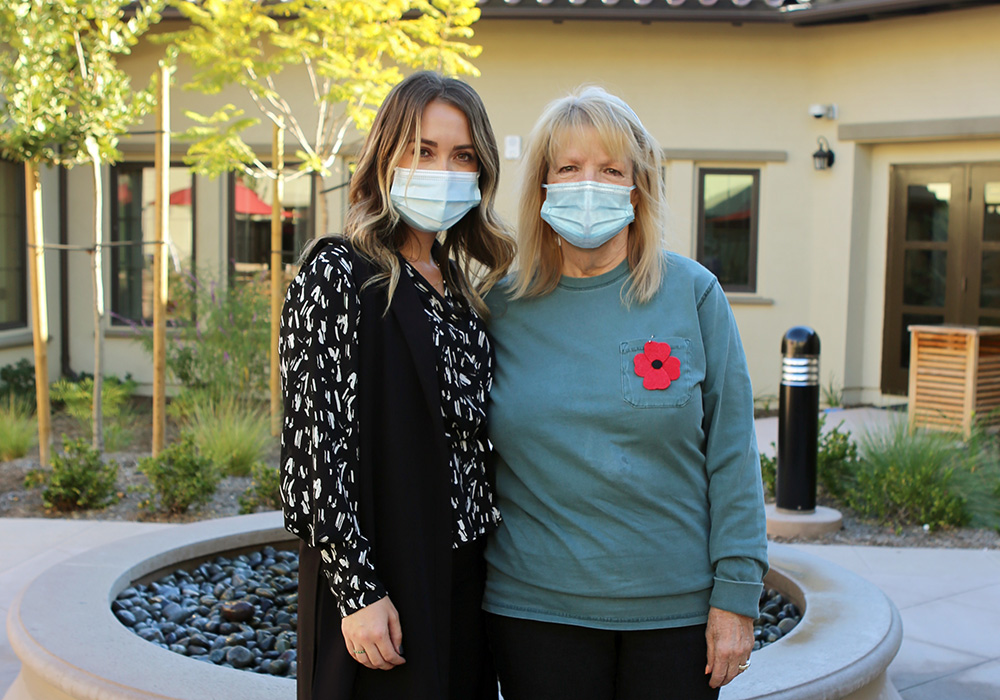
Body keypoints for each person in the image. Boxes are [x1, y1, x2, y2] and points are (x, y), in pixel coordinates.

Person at [482, 86, 769, 700]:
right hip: (535, 612)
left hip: (677, 617)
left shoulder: (692, 294)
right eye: (569, 167)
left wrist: (737, 596)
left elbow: (733, 456)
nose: (591, 184)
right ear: (541, 186)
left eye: (611, 169)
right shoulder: (498, 306)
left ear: (639, 187)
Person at [278, 71, 516, 700]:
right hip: (385, 581)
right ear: (385, 157)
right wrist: (358, 591)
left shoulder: (463, 289)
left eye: (462, 155)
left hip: (468, 580)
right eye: (423, 150)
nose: (443, 169)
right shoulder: (337, 274)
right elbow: (312, 457)